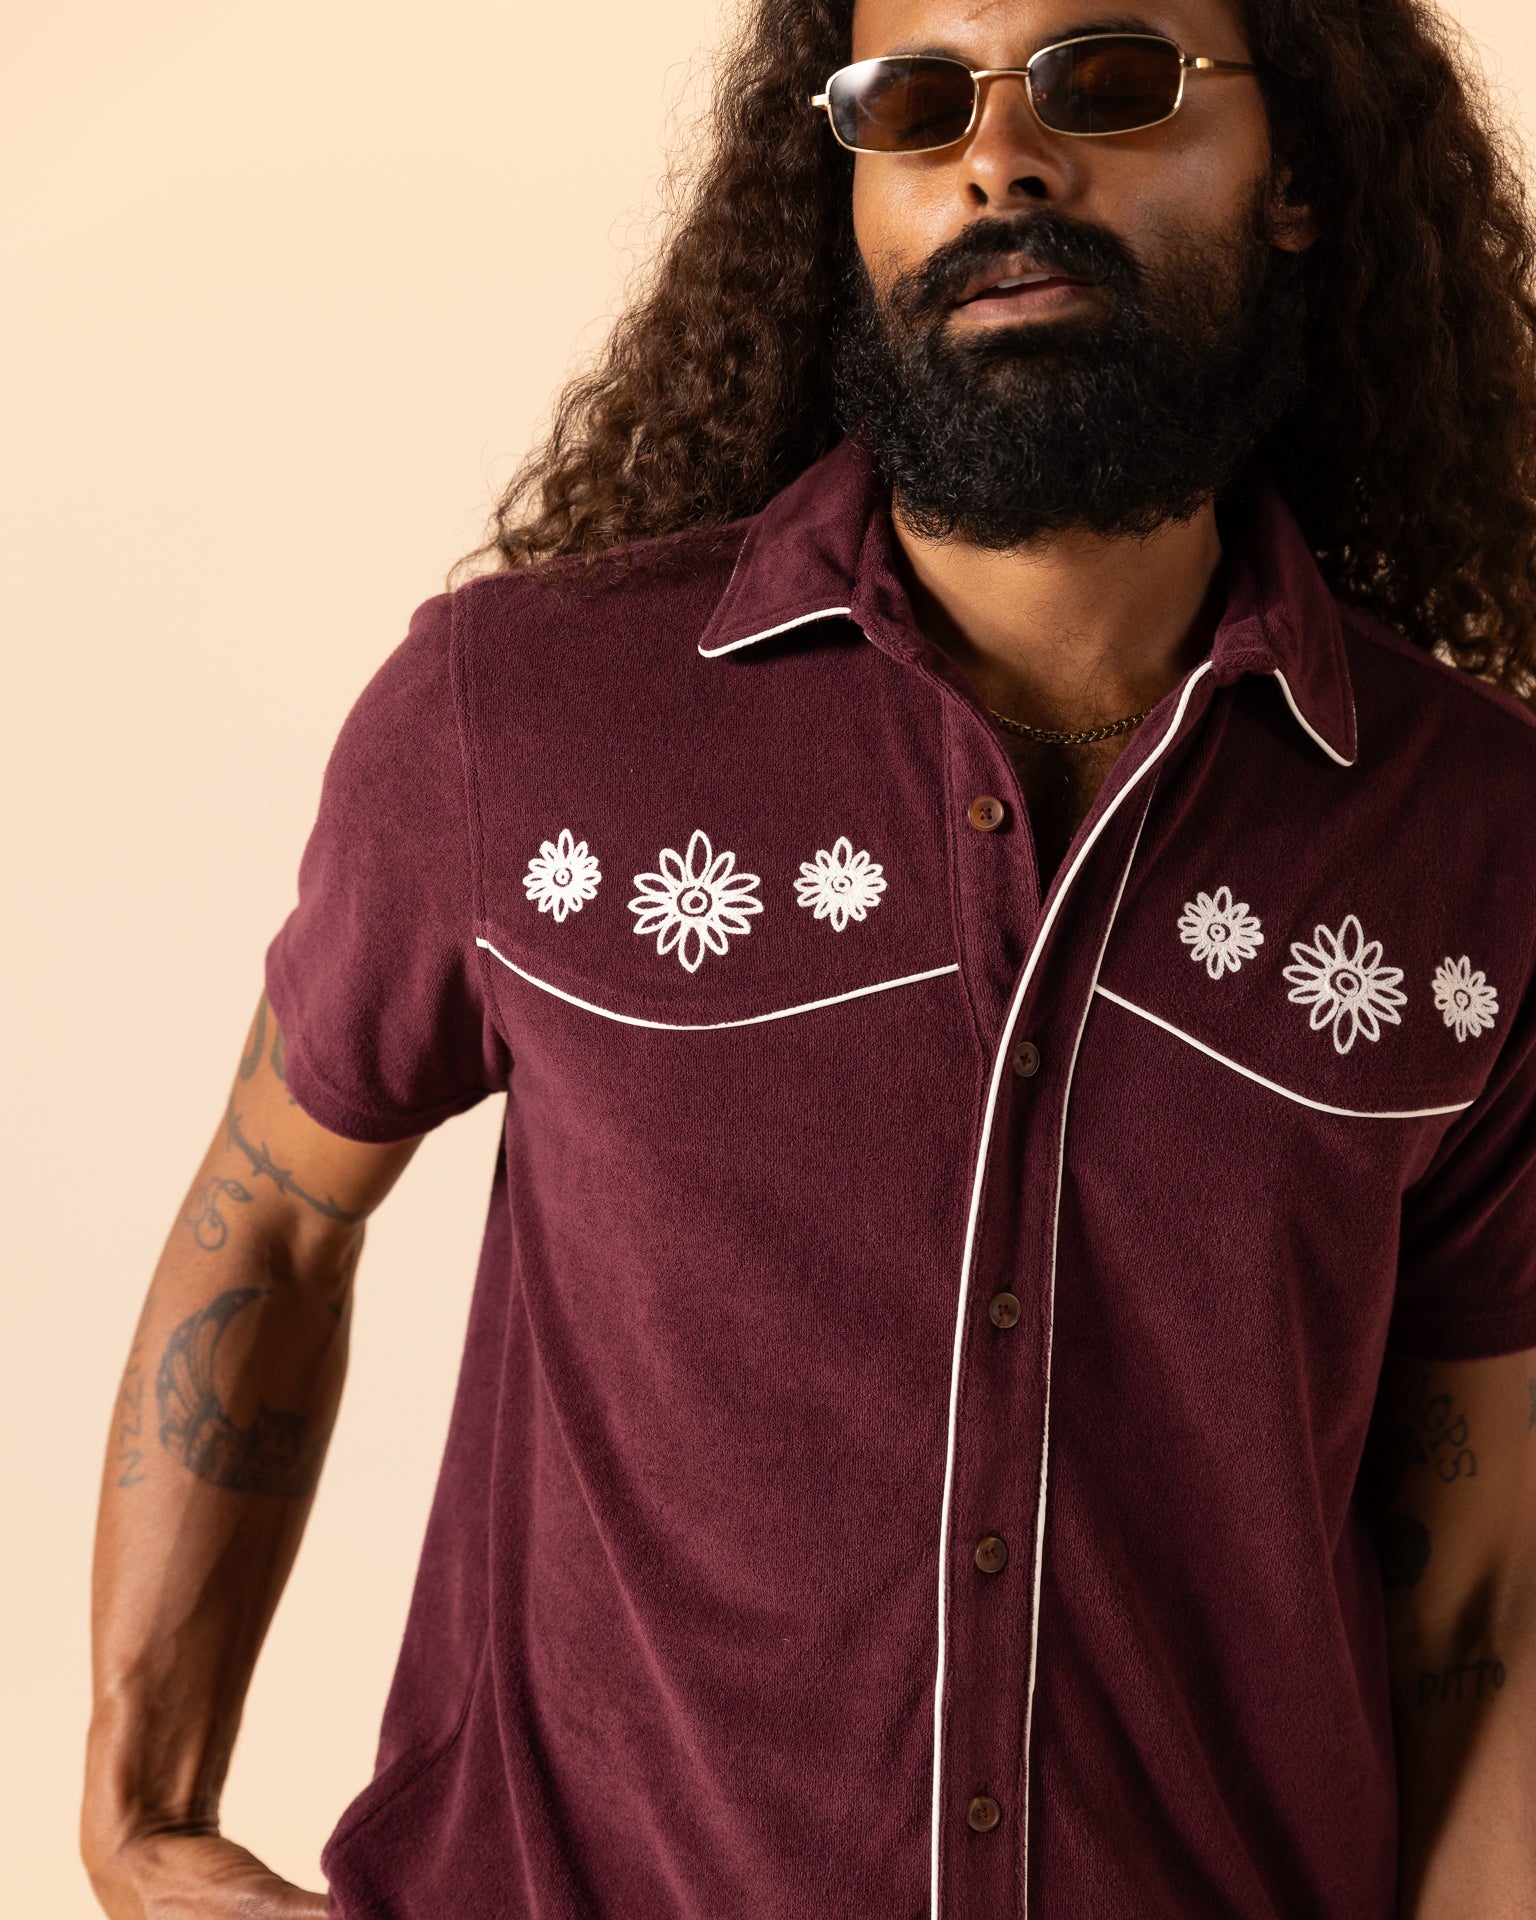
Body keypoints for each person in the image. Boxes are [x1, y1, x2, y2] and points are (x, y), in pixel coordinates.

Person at [82, 0, 1536, 1913]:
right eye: (915, 102)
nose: (997, 161)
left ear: (1300, 182)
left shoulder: (1477, 834)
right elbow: (273, 1214)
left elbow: (1480, 1558)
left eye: (1111, 84)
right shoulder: (518, 718)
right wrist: (138, 1818)